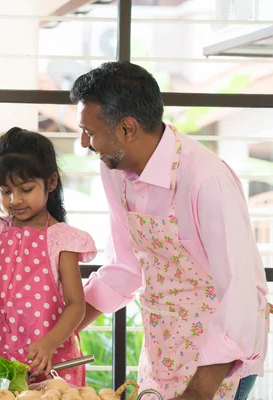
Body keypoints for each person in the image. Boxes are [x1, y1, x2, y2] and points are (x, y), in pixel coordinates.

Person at [70, 61, 270, 400]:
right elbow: (125, 267)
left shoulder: (207, 180)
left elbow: (240, 295)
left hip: (220, 362)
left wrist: (198, 393)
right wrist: (61, 331)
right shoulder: (114, 169)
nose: (84, 142)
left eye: (90, 131)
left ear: (127, 128)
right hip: (162, 349)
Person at [0, 127, 97, 386]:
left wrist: (51, 342)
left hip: (42, 356)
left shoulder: (61, 238)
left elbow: (76, 304)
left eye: (26, 189)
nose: (15, 200)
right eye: (6, 192)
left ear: (51, 183)